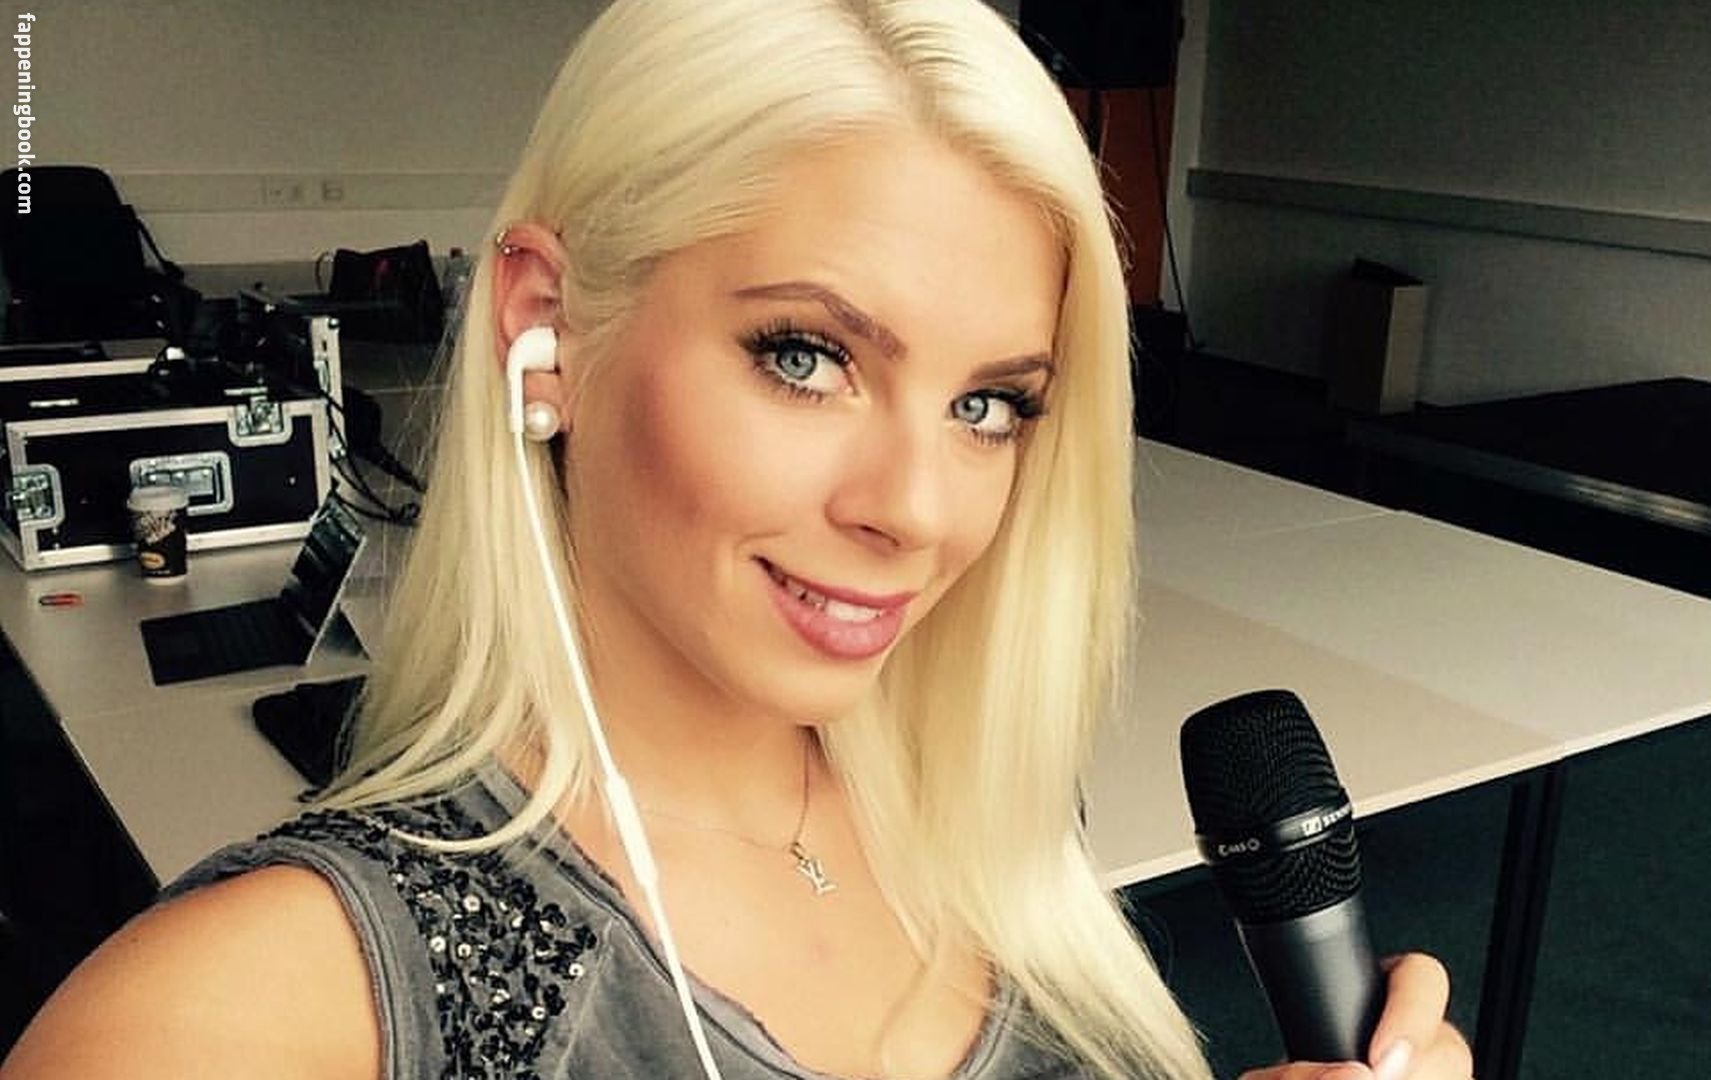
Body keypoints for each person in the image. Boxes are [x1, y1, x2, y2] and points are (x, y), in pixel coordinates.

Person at [2, 2, 1472, 1078]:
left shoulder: (981, 827)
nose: (915, 509)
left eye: (988, 405)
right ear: (547, 332)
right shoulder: (269, 1002)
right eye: (806, 357)